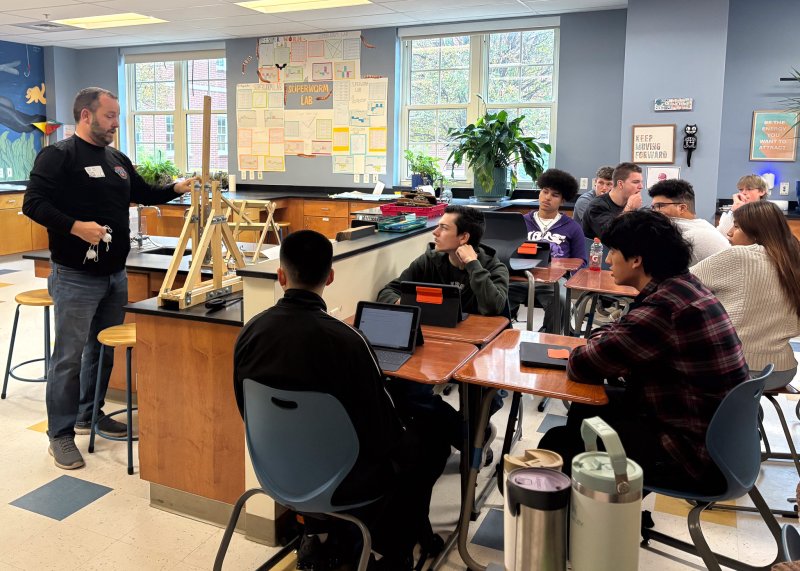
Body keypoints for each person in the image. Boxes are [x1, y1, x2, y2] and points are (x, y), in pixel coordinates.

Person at [234, 230, 449, 570]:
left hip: (274, 470)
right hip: (345, 480)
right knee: (429, 446)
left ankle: (318, 531)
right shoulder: (349, 341)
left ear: (280, 276)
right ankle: (393, 551)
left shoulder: (250, 332)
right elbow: (383, 430)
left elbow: (245, 408)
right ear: (330, 277)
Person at [23, 87, 195, 471]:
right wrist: (74, 227)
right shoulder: (58, 156)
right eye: (110, 116)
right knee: (68, 357)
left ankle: (90, 414)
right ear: (86, 116)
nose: (116, 122)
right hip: (75, 276)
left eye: (117, 116)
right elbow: (32, 203)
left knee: (102, 350)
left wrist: (177, 188)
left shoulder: (117, 159)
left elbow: (144, 192)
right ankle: (61, 435)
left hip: (114, 275)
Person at [539, 209, 748, 493]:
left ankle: (582, 517)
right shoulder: (684, 288)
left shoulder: (664, 309)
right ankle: (598, 507)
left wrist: (601, 340)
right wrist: (605, 339)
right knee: (588, 405)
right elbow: (614, 338)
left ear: (637, 260)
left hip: (687, 456)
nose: (608, 259)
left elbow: (582, 363)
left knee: (559, 443)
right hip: (714, 441)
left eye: (614, 251)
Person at [691, 201, 800, 390]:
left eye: (737, 226)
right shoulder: (793, 259)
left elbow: (680, 282)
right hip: (783, 370)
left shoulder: (740, 256)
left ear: (757, 232)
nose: (729, 233)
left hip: (736, 367)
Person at [377, 204, 509, 315]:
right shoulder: (429, 262)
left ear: (463, 237)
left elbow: (494, 307)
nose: (435, 232)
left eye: (444, 228)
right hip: (439, 334)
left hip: (478, 339)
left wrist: (472, 264)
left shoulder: (494, 268)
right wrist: (401, 302)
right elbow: (388, 292)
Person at [508, 168, 587, 329]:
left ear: (562, 201)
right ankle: (502, 336)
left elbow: (581, 261)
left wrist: (560, 267)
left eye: (555, 195)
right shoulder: (520, 222)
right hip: (521, 278)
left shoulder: (572, 227)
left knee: (562, 301)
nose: (548, 198)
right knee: (498, 297)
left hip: (554, 282)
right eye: (545, 192)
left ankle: (550, 338)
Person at [648, 178, 729, 264]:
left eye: (660, 206)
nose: (654, 211)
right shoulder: (702, 225)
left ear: (682, 208)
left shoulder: (685, 237)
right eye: (653, 207)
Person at [581, 162, 643, 239]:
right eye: (636, 182)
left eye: (641, 182)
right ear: (620, 184)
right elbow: (612, 237)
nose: (641, 186)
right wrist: (629, 208)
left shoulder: (630, 203)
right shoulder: (597, 206)